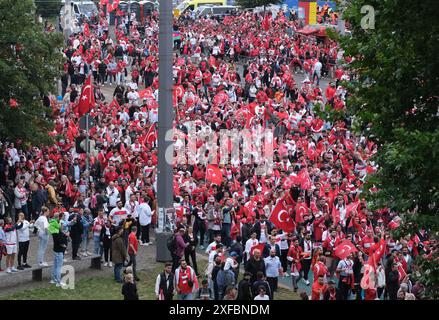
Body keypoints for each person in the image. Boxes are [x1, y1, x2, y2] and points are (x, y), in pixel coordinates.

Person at [51, 214, 68, 287]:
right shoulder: (56, 229)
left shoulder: (54, 228)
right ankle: (58, 282)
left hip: (56, 249)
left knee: (55, 265)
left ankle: (53, 279)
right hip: (59, 250)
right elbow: (59, 240)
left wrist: (65, 235)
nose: (61, 226)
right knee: (59, 267)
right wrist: (63, 244)